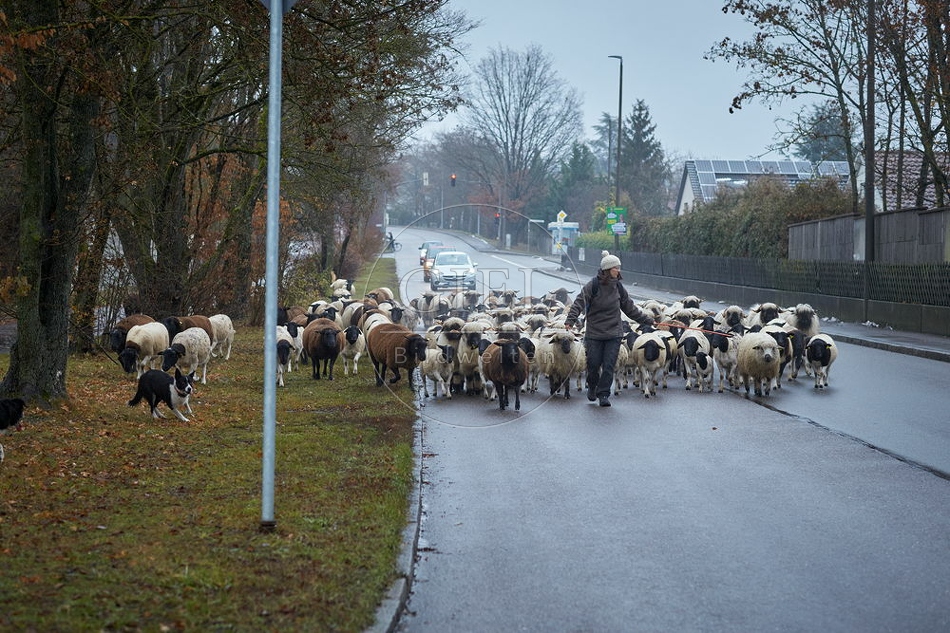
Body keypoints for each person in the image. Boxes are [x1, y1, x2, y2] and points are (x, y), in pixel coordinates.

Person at [564, 250, 655, 407]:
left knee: (609, 366)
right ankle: (592, 386)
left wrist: (648, 321)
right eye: (616, 268)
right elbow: (579, 302)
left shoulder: (618, 287)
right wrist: (570, 320)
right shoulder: (593, 285)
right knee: (593, 366)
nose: (618, 271)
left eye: (619, 268)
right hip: (595, 333)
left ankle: (604, 394)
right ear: (607, 269)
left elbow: (630, 308)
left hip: (614, 333)